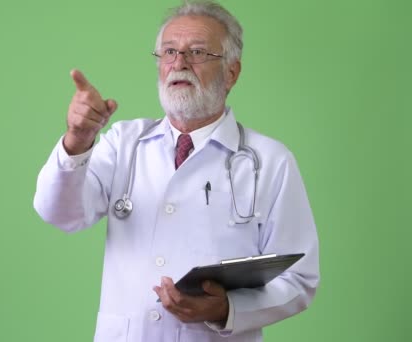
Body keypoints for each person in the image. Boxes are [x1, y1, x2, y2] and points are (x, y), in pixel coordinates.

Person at [33, 1, 319, 341]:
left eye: (197, 52)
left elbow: (300, 279)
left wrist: (226, 308)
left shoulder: (271, 161)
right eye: (169, 52)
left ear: (232, 72)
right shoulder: (124, 143)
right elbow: (59, 213)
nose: (179, 63)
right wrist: (77, 140)